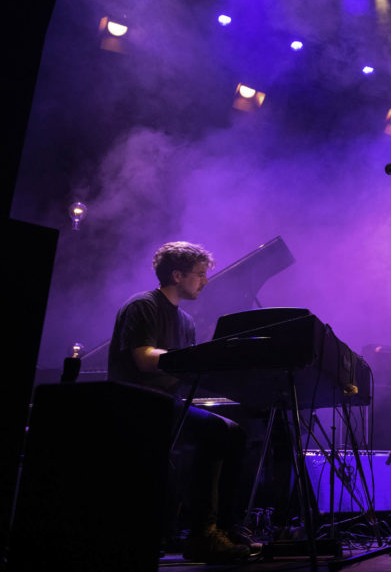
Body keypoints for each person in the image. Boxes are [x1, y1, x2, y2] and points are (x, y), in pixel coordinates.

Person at [108, 241, 257, 563]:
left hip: (165, 402)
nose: (204, 281)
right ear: (177, 275)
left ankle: (224, 528)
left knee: (236, 431)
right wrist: (194, 357)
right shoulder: (142, 306)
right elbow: (145, 360)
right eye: (200, 275)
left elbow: (188, 372)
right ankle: (201, 535)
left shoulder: (186, 321)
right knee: (216, 431)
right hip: (135, 401)